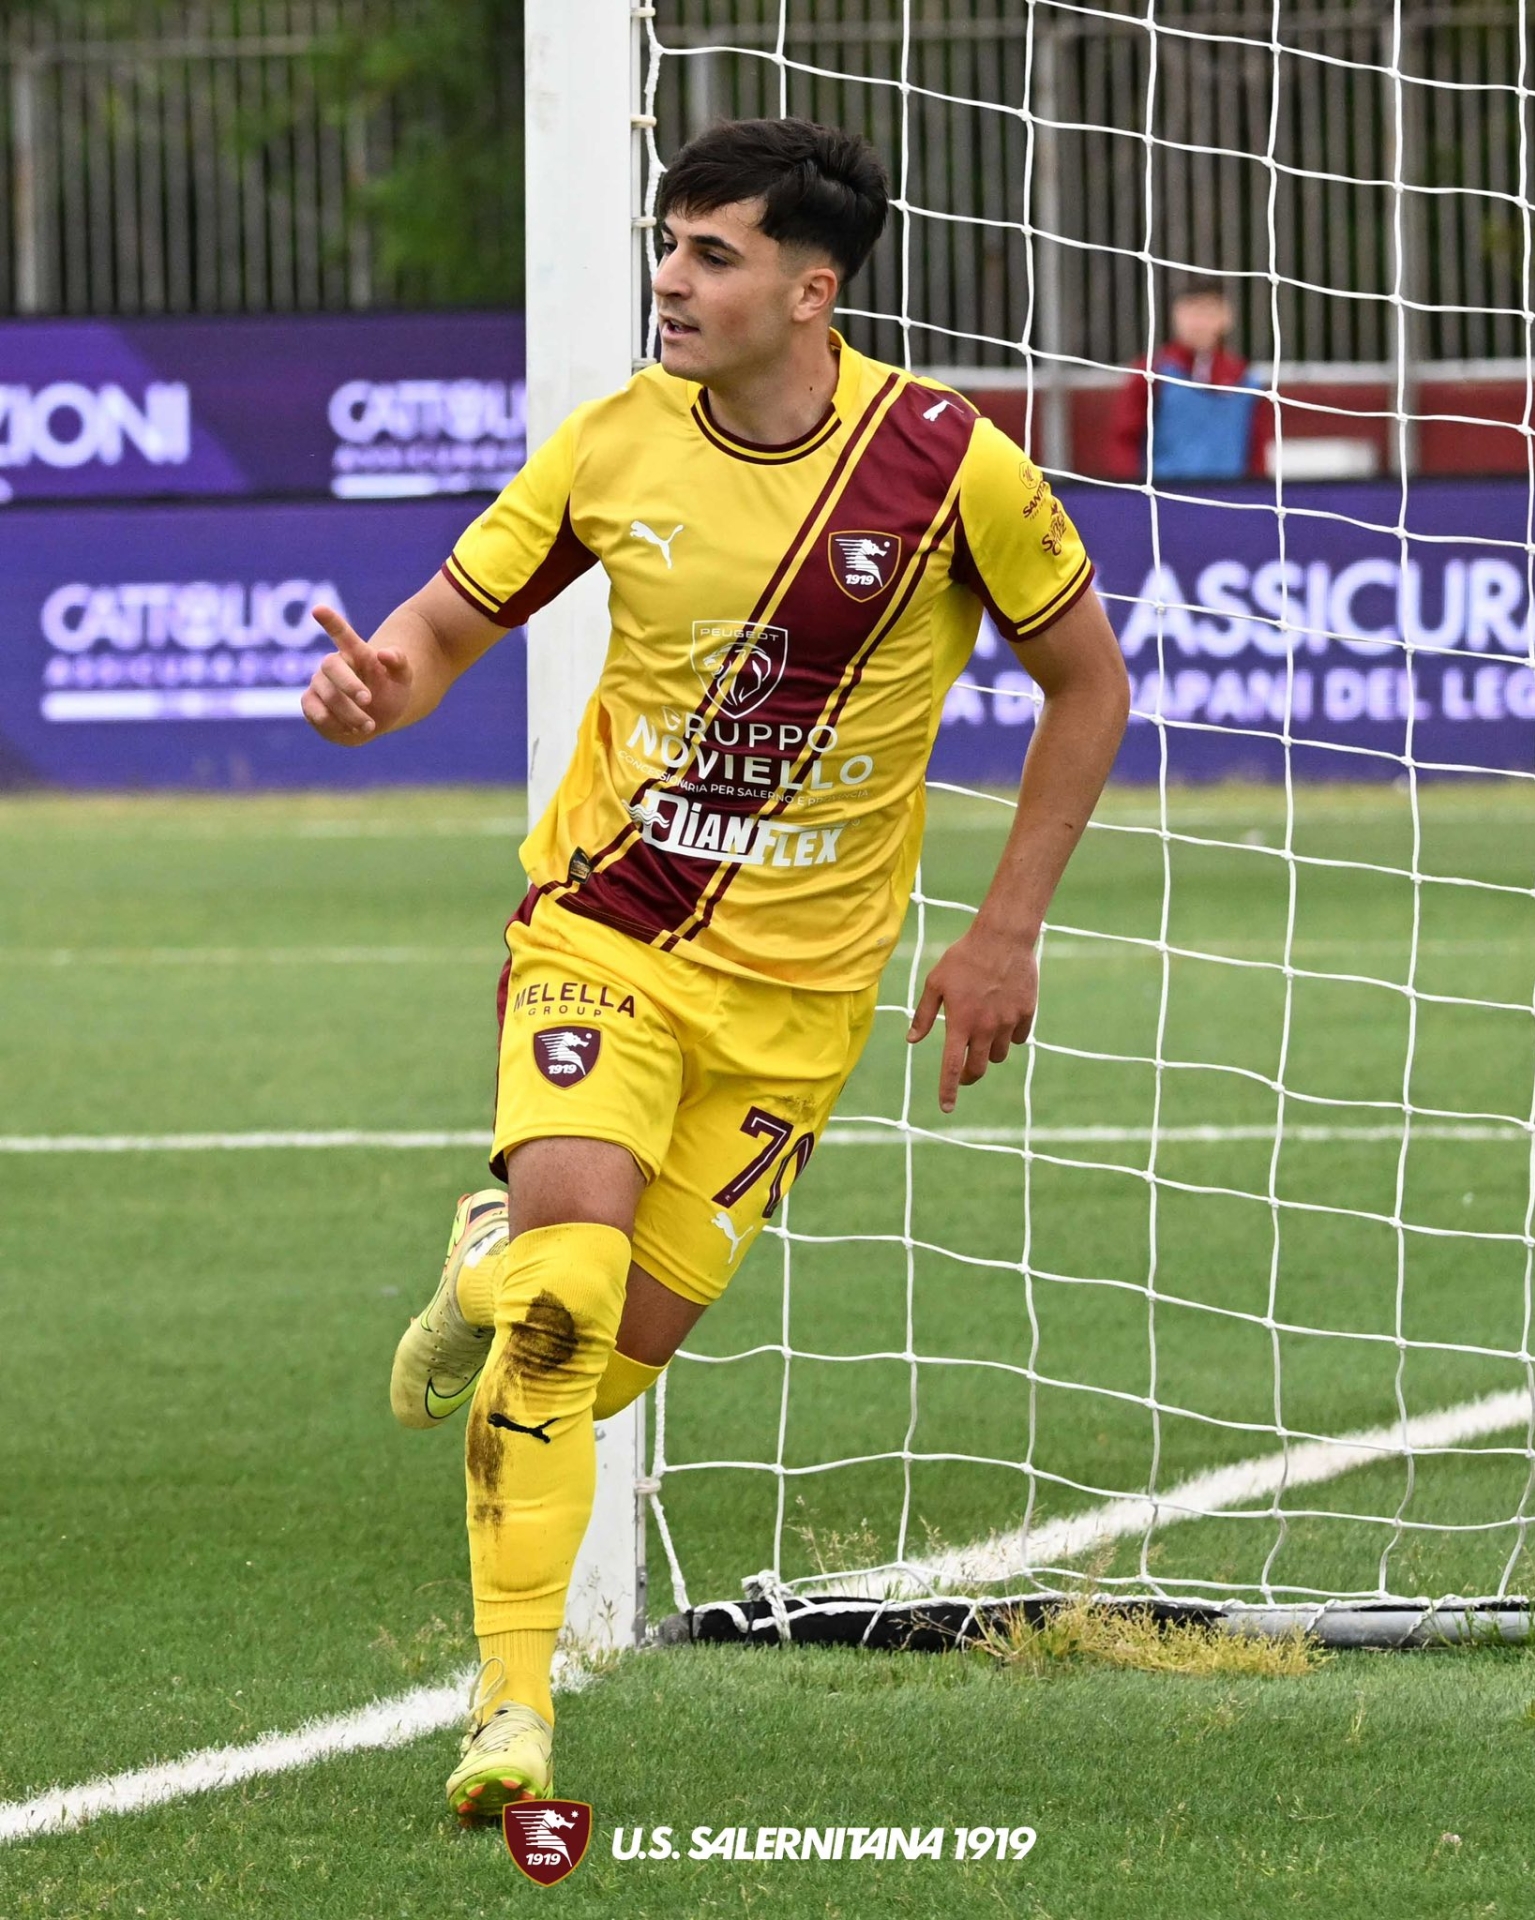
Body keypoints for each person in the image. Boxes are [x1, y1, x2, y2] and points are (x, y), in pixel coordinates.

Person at [301, 116, 1129, 1823]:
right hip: (606, 936)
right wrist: (380, 686)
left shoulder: (948, 464)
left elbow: (1089, 687)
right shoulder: (612, 447)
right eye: (666, 248)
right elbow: (443, 629)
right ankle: (511, 1713)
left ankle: (478, 1269)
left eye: (713, 255)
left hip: (800, 1008)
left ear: (811, 290)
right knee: (568, 1301)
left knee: (595, 1353)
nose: (670, 282)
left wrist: (1004, 929)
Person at [1107, 279, 1273, 483]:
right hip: (1165, 499)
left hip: (1230, 499)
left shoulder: (1245, 379)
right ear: (1175, 315)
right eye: (1192, 312)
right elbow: (1125, 440)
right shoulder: (1152, 373)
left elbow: (1256, 450)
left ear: (1226, 317)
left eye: (1208, 313)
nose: (1199, 323)